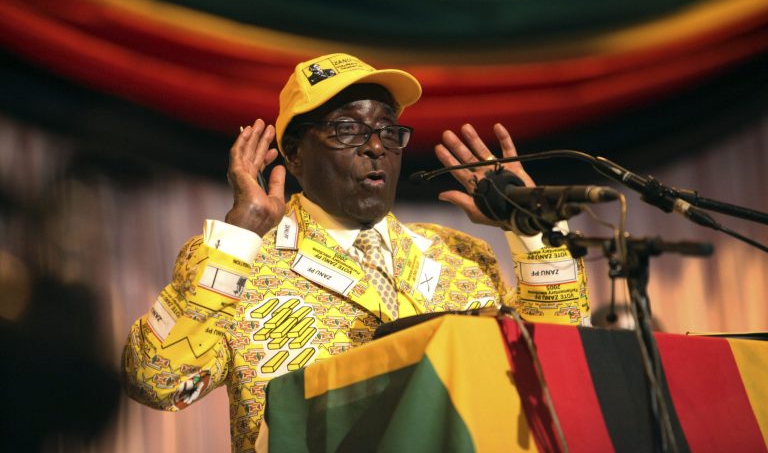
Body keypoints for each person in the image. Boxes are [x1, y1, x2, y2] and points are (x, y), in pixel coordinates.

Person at [122, 53, 590, 452]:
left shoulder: (459, 255)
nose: (375, 147)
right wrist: (239, 236)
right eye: (348, 129)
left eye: (389, 132)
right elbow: (156, 383)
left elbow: (558, 373)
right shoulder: (238, 260)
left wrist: (535, 231)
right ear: (295, 154)